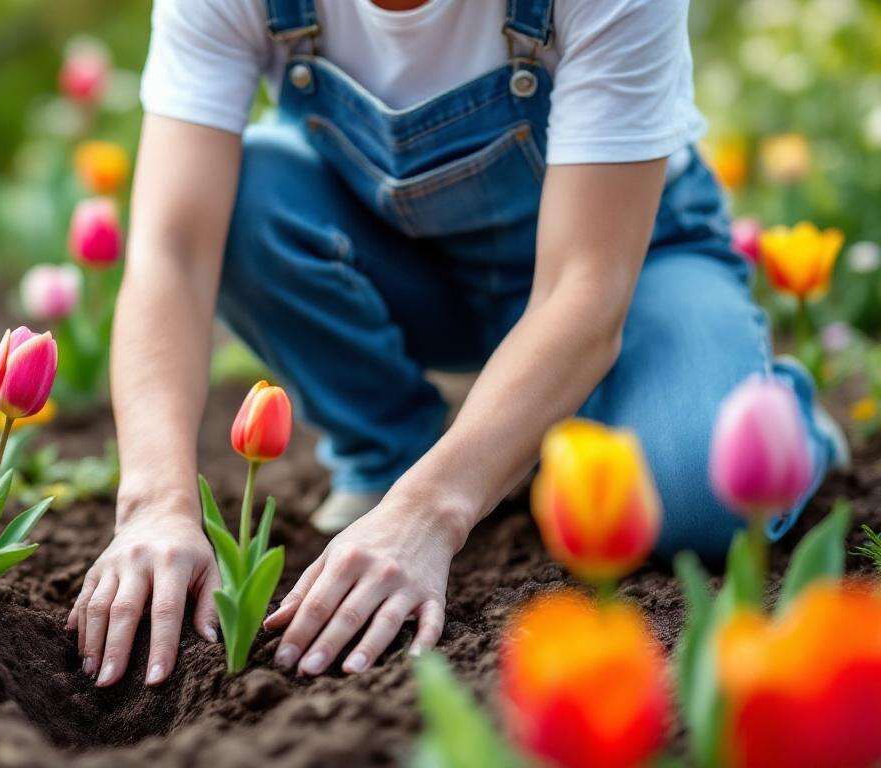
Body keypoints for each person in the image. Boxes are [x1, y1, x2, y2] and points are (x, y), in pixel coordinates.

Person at [66, 0, 841, 688]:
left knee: (702, 494)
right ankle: (393, 456)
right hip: (410, 259)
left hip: (629, 264)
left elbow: (584, 290)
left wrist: (431, 513)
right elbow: (172, 254)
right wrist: (155, 506)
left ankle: (769, 413)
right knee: (240, 194)